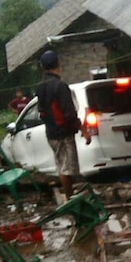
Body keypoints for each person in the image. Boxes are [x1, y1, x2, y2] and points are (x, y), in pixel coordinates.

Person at [36, 49, 90, 198]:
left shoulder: (40, 87)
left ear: (42, 66)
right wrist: (83, 130)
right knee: (68, 170)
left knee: (62, 167)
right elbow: (69, 113)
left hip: (51, 134)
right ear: (58, 63)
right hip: (64, 133)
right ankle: (71, 200)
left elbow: (41, 111)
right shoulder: (60, 86)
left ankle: (70, 197)